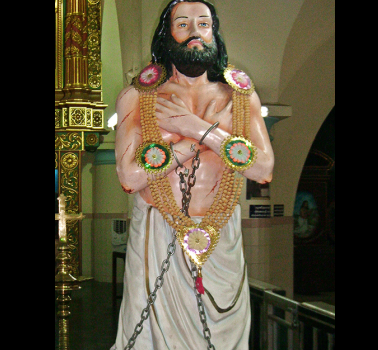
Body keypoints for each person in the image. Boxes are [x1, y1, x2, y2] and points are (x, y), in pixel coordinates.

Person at [113, 1, 274, 349]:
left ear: (213, 32)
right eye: (183, 24)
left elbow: (263, 168)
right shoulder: (138, 99)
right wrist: (199, 144)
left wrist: (196, 129)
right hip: (158, 234)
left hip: (221, 236)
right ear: (166, 33)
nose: (195, 33)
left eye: (203, 24)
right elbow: (129, 177)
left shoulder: (240, 99)